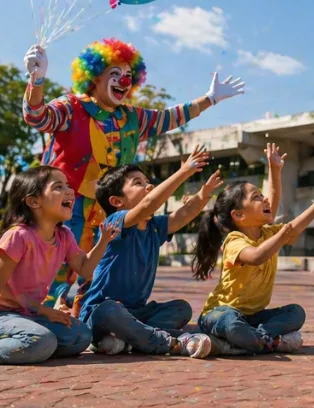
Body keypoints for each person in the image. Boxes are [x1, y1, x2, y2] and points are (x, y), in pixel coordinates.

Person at [21, 38, 245, 311]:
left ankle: (82, 316)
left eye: (128, 75)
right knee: (56, 262)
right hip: (68, 204)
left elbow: (171, 117)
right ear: (95, 76)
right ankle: (34, 313)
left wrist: (210, 99)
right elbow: (38, 117)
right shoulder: (72, 107)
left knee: (97, 269)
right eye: (115, 73)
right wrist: (37, 80)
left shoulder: (131, 118)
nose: (124, 81)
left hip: (109, 208)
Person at [0, 166, 119, 364]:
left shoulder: (64, 236)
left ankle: (32, 346)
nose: (69, 191)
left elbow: (84, 268)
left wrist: (103, 241)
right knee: (40, 340)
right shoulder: (18, 236)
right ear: (34, 201)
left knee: (81, 336)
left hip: (25, 313)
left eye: (67, 185)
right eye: (58, 187)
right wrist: (43, 310)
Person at [192, 143, 314, 355]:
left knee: (295, 313)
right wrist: (283, 232)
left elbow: (286, 216)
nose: (264, 199)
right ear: (238, 215)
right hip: (218, 314)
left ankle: (249, 341)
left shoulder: (269, 233)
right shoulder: (234, 241)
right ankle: (263, 341)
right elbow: (256, 256)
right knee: (232, 323)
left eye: (261, 195)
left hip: (253, 318)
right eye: (256, 197)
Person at [78, 145, 223, 358]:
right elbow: (148, 204)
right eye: (138, 183)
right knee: (109, 310)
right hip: (101, 313)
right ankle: (170, 342)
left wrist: (204, 193)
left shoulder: (155, 226)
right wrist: (183, 172)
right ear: (117, 201)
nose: (149, 186)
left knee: (181, 308)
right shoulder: (114, 223)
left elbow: (184, 214)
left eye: (147, 181)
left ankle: (127, 340)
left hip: (136, 313)